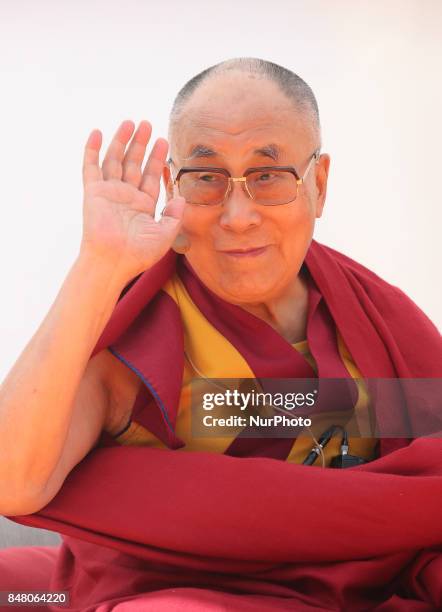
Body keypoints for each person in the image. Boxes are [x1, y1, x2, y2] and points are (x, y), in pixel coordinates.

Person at [0, 57, 441, 611]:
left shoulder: (373, 320)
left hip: (355, 591)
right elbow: (12, 482)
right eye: (206, 178)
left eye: (268, 176)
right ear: (171, 187)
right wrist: (98, 265)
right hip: (168, 594)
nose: (237, 215)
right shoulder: (141, 329)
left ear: (319, 185)